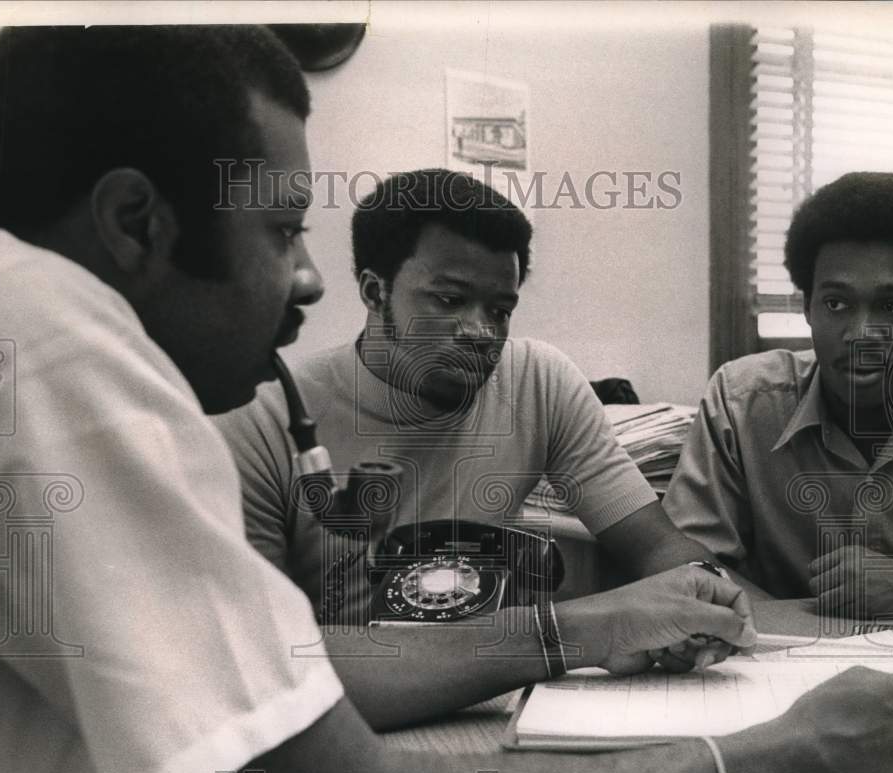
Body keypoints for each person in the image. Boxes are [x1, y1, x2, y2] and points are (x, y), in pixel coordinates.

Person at [0, 27, 893, 773]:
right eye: (283, 230)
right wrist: (773, 767)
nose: (306, 280)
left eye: (499, 307)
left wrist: (641, 617)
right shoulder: (51, 346)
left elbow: (258, 706)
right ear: (134, 220)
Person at [216, 168, 777, 729]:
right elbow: (256, 673)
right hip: (341, 726)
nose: (480, 332)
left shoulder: (537, 380)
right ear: (373, 289)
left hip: (483, 707)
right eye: (449, 300)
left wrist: (703, 597)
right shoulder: (260, 420)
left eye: (500, 310)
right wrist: (585, 630)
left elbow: (655, 544)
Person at [664, 172, 893, 621]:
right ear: (807, 307)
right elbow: (685, 562)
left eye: (892, 307)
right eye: (836, 304)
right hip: (774, 657)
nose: (860, 334)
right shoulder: (741, 403)